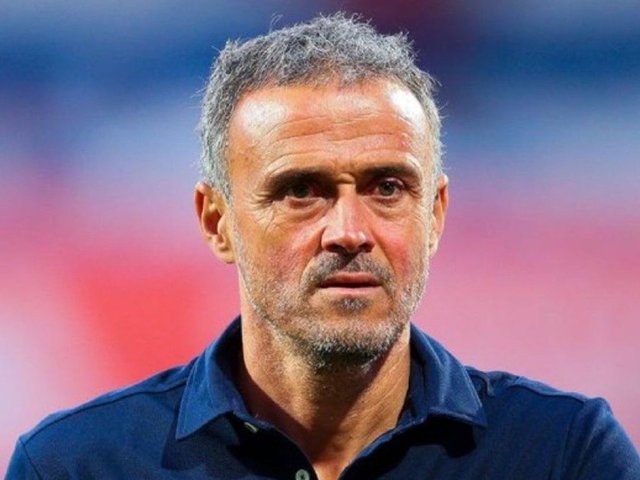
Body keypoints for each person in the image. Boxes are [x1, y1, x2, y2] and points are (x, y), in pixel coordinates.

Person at [6, 13, 639, 480]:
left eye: (387, 188)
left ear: (435, 214)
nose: (350, 231)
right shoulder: (78, 466)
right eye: (301, 191)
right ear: (217, 221)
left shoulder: (564, 455)